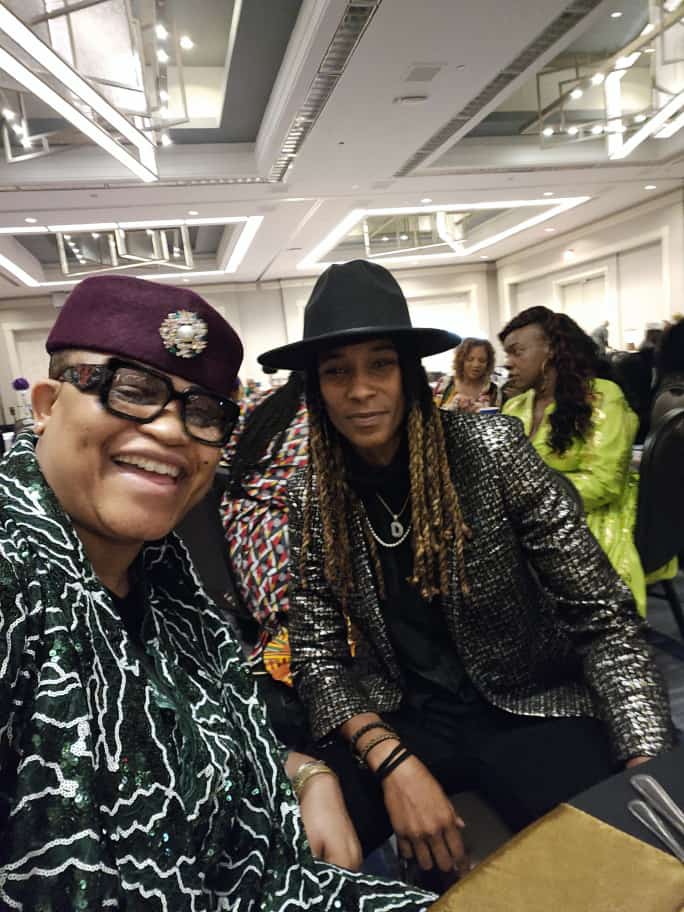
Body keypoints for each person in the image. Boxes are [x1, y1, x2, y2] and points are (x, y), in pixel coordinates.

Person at [0, 274, 434, 911]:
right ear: (45, 404)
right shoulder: (16, 584)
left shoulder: (167, 579)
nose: (173, 431)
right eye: (131, 390)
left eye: (203, 413)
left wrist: (305, 772)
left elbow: (187, 732)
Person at [257, 260, 673, 879]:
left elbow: (602, 616)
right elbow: (317, 655)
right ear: (315, 389)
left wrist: (649, 758)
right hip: (403, 716)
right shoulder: (313, 495)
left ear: (409, 375)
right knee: (295, 851)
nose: (360, 389)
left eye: (380, 364)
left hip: (529, 704)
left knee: (615, 869)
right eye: (336, 371)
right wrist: (390, 759)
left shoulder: (490, 450)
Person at [499, 306, 647, 616]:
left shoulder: (602, 397)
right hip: (522, 519)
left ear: (551, 350)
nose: (508, 362)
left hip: (586, 514)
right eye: (507, 353)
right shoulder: (515, 406)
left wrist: (526, 498)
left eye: (517, 352)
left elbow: (604, 482)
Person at [220, 370, 310, 745]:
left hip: (240, 529)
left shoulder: (264, 406)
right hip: (279, 554)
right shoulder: (320, 421)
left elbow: (225, 457)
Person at [434, 338, 498, 412]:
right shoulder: (445, 383)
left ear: (488, 363)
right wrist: (453, 406)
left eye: (482, 361)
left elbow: (501, 417)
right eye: (470, 359)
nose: (476, 365)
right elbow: (431, 414)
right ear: (461, 361)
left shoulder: (494, 391)